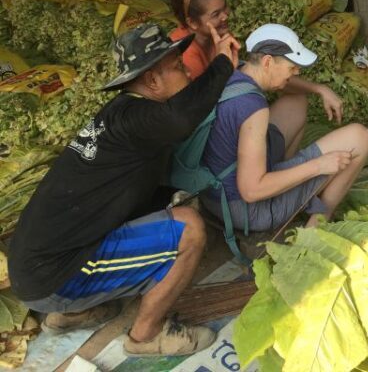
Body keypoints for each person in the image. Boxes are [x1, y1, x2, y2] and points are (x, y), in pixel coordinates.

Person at [8, 22, 239, 357]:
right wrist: (222, 65)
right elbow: (181, 119)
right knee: (189, 229)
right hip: (54, 276)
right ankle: (146, 336)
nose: (187, 69)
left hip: (32, 268)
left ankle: (72, 314)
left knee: (161, 213)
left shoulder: (121, 115)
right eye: (176, 66)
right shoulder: (136, 117)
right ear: (152, 80)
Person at [201, 23, 368, 233]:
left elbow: (285, 84)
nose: (297, 71)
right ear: (267, 62)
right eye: (292, 67)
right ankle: (317, 224)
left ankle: (286, 185)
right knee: (360, 137)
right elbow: (251, 191)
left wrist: (319, 89)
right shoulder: (253, 109)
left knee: (297, 102)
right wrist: (319, 166)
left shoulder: (234, 70)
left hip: (213, 196)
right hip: (248, 211)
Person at [169, 0, 232, 80]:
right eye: (216, 14)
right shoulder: (185, 54)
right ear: (192, 23)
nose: (225, 16)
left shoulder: (216, 33)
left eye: (224, 7)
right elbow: (206, 92)